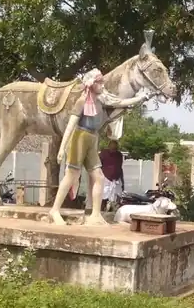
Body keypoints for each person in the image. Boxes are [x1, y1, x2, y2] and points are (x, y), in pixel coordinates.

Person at [49, 69, 148, 226]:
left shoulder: (101, 100)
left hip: (93, 139)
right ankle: (54, 210)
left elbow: (120, 102)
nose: (102, 85)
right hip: (80, 138)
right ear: (92, 84)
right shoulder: (82, 102)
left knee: (99, 177)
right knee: (71, 175)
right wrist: (62, 148)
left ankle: (95, 214)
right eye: (99, 82)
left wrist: (139, 98)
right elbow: (70, 125)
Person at [100, 140, 124, 211]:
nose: (114, 150)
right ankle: (101, 211)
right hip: (105, 178)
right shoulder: (103, 153)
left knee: (117, 196)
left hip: (117, 178)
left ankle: (115, 212)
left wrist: (122, 181)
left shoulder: (119, 155)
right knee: (103, 196)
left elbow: (120, 167)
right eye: (112, 148)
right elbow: (98, 166)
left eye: (115, 148)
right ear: (109, 147)